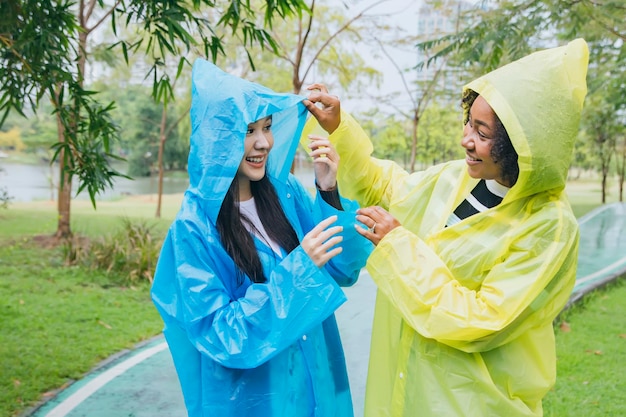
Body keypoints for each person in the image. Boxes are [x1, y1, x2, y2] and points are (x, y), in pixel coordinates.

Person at [303, 38, 589, 416]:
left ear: (520, 146)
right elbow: (386, 187)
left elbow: (483, 320)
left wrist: (397, 247)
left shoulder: (547, 227)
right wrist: (340, 128)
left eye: (482, 134)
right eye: (469, 121)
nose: (465, 140)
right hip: (413, 392)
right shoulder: (459, 179)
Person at [151, 59, 372, 417]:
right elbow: (222, 334)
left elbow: (342, 271)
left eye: (267, 127)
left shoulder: (284, 195)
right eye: (248, 130)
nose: (263, 143)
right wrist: (300, 268)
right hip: (254, 402)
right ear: (218, 137)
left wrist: (328, 190)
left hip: (314, 385)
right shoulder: (193, 229)